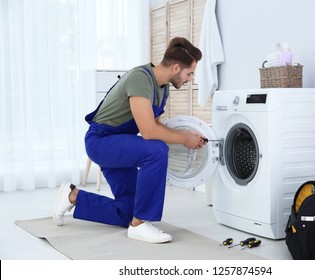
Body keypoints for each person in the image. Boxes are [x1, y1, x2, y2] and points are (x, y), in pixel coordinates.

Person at [53, 37, 205, 243]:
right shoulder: (140, 78)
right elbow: (149, 132)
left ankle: (74, 196)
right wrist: (184, 139)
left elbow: (156, 124)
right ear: (176, 68)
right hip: (102, 141)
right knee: (157, 150)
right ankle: (140, 224)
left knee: (129, 211)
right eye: (190, 73)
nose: (190, 79)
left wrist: (189, 135)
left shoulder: (162, 87)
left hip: (120, 143)